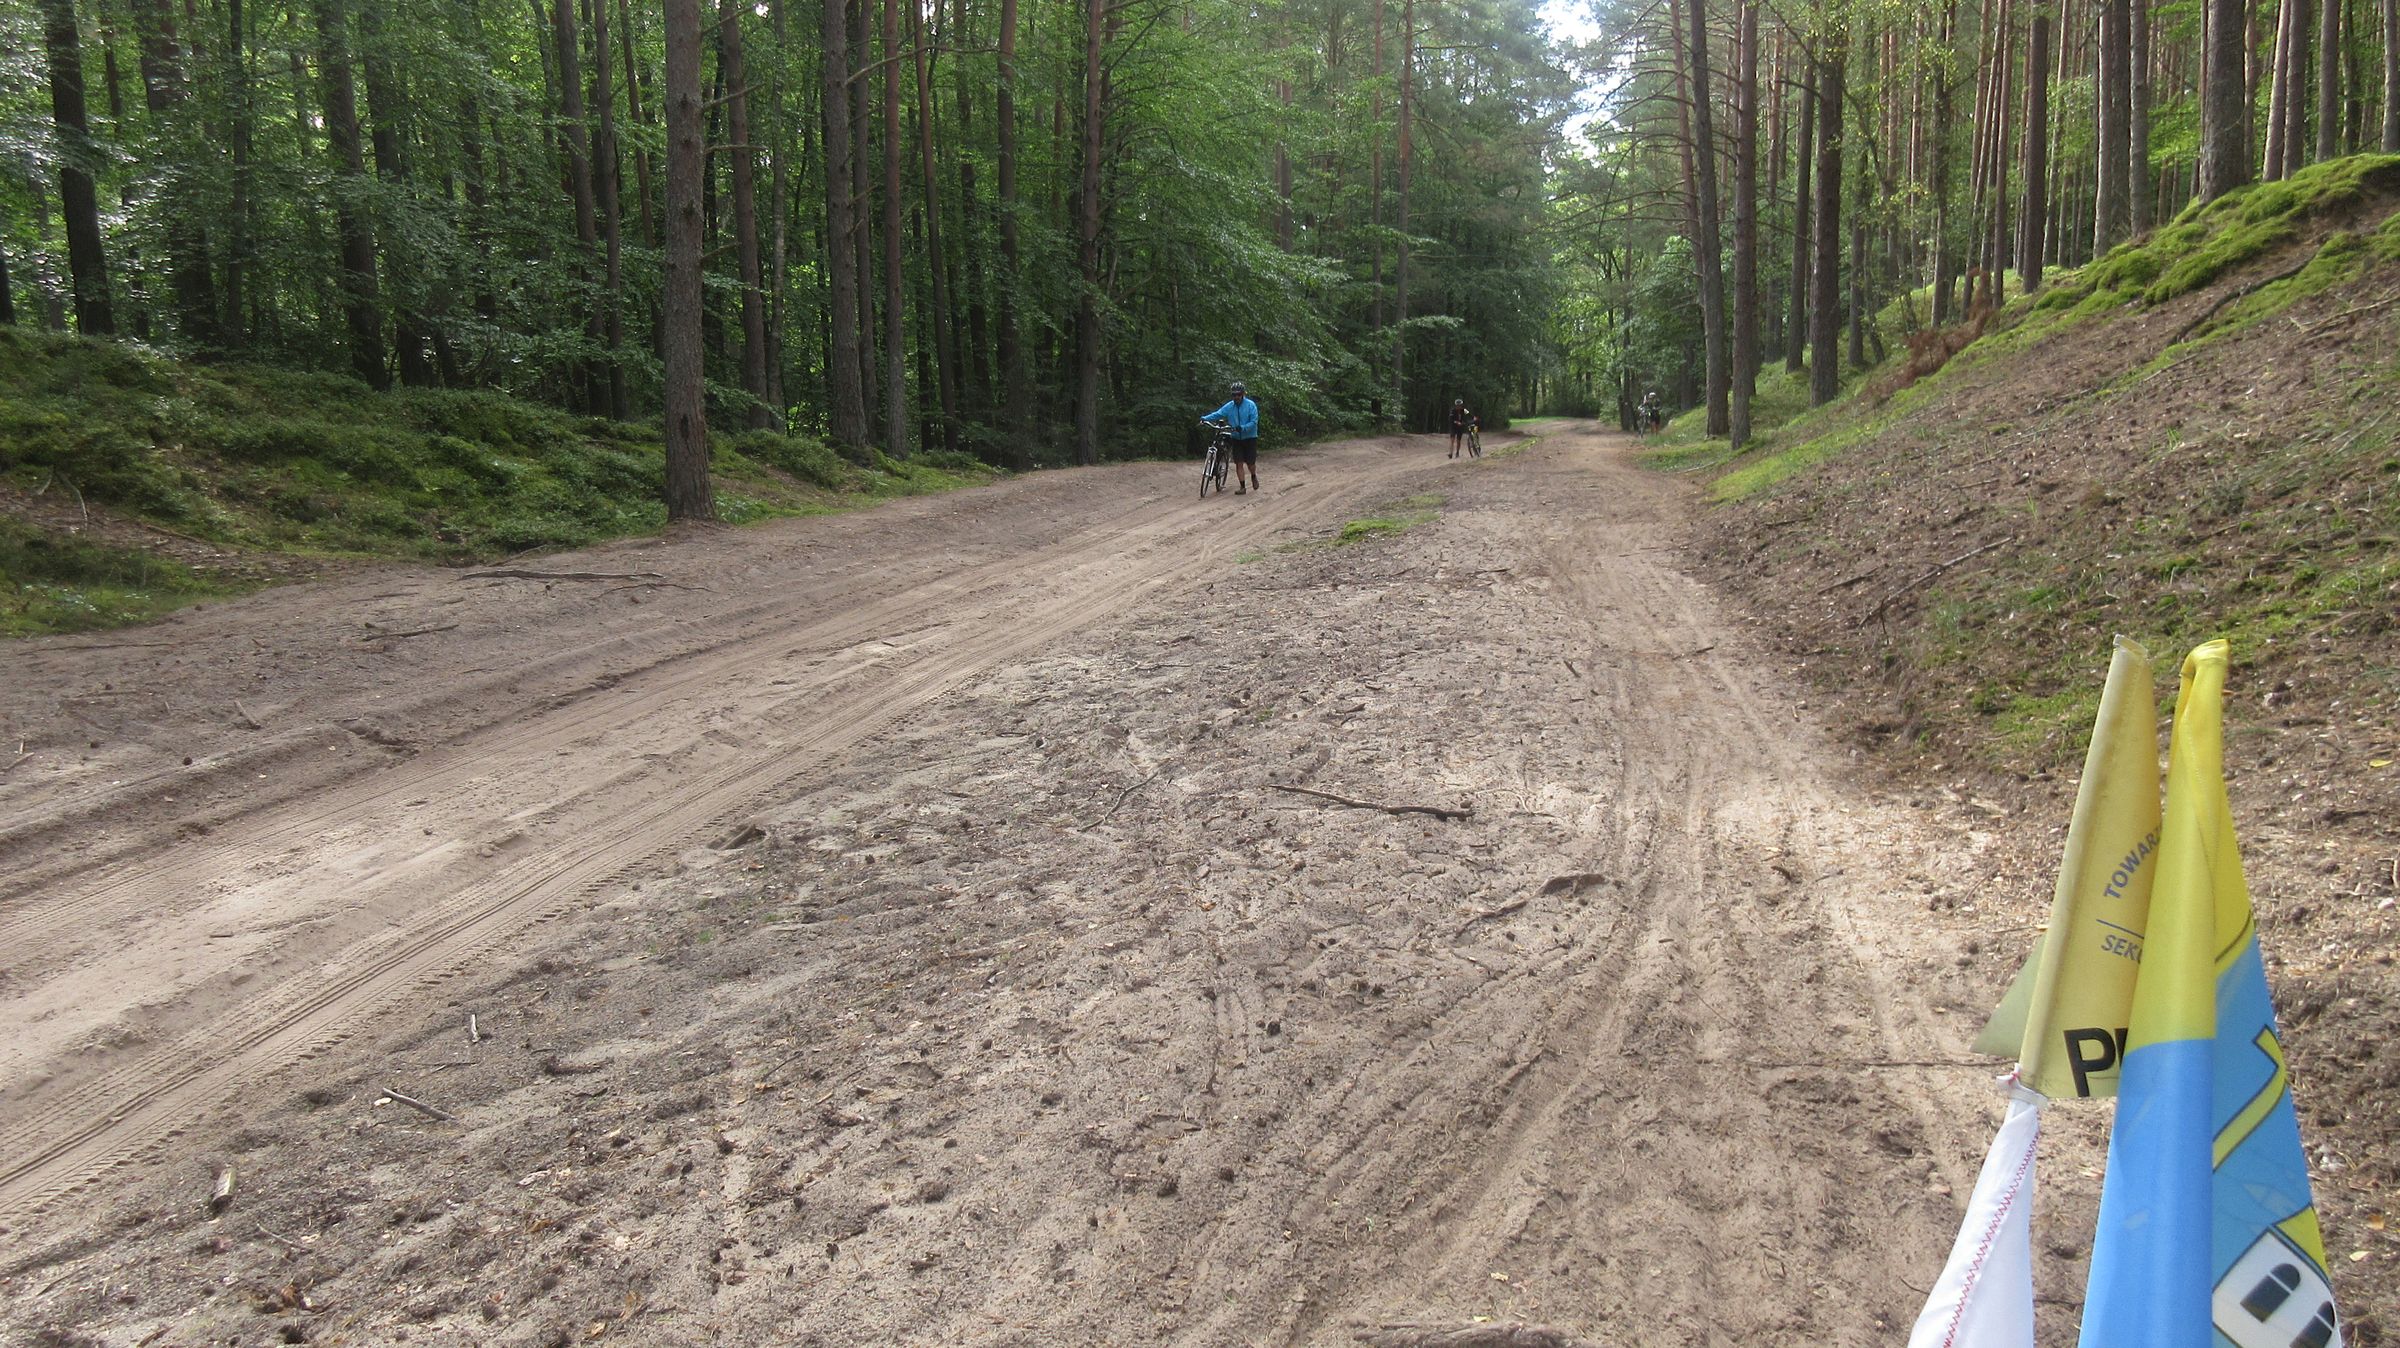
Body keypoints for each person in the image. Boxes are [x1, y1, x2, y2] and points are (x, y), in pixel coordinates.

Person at [1202, 381, 1262, 495]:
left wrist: (1243, 428)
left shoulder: (1250, 405)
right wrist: (1205, 418)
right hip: (1236, 438)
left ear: (1243, 394)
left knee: (1250, 463)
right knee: (1238, 462)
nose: (1236, 397)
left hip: (1250, 437)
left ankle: (1253, 476)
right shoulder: (1230, 406)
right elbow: (1218, 414)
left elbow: (1254, 422)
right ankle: (1242, 487)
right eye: (1234, 395)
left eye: (1238, 394)